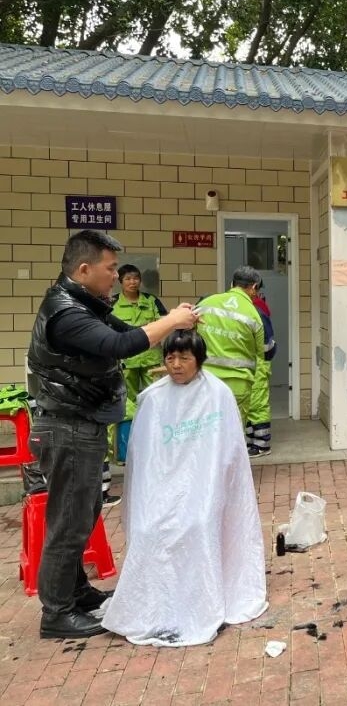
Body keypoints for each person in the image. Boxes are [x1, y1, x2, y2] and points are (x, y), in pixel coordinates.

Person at [26, 230, 198, 639]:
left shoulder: (87, 304)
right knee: (68, 521)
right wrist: (172, 320)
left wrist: (174, 323)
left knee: (83, 512)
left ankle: (76, 592)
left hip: (82, 422)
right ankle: (57, 613)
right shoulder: (66, 312)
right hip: (67, 425)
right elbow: (119, 345)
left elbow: (130, 334)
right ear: (84, 269)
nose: (116, 277)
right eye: (110, 269)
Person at [102, 330, 268, 645]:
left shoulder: (218, 394)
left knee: (198, 523)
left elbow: (228, 452)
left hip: (205, 487)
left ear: (199, 360)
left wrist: (206, 488)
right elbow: (144, 458)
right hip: (163, 487)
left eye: (184, 358)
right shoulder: (152, 399)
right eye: (170, 357)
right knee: (149, 528)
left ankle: (200, 601)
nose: (176, 365)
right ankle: (154, 605)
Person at [106, 264, 168, 492]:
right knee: (127, 405)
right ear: (120, 281)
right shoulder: (111, 303)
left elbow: (164, 323)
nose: (133, 282)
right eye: (128, 279)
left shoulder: (151, 301)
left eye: (136, 278)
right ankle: (126, 450)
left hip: (151, 360)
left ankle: (159, 445)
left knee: (158, 401)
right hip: (127, 362)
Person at [196, 266, 265, 450]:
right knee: (233, 435)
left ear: (232, 283)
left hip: (206, 381)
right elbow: (261, 352)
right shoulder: (253, 314)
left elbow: (189, 336)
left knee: (206, 431)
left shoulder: (206, 304)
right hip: (238, 383)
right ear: (254, 287)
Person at [245, 279, 277, 457]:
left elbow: (268, 343)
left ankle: (262, 444)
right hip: (253, 362)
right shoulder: (256, 307)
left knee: (257, 405)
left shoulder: (256, 309)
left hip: (258, 363)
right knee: (251, 405)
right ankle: (252, 442)